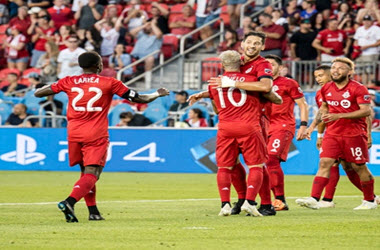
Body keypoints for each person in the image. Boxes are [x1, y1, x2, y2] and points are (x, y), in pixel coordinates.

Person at [34, 51, 169, 223]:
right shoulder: (109, 82)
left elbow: (39, 93)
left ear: (81, 66)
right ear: (99, 65)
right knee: (93, 173)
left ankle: (93, 212)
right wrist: (157, 93)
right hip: (95, 133)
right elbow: (140, 98)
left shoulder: (68, 81)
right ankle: (69, 202)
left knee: (85, 173)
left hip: (74, 132)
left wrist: (54, 85)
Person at [208, 31, 283, 216]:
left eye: (257, 43)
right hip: (243, 120)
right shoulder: (239, 62)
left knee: (258, 164)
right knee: (234, 163)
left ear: (263, 47)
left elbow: (266, 88)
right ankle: (244, 199)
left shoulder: (262, 64)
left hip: (257, 118)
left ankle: (265, 203)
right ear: (242, 44)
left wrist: (229, 83)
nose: (252, 46)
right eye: (249, 42)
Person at [296, 57, 377, 210]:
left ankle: (370, 201)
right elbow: (324, 109)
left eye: (340, 68)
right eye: (334, 67)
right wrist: (312, 127)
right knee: (325, 163)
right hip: (332, 133)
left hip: (353, 134)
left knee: (359, 167)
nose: (336, 70)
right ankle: (315, 198)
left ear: (350, 71)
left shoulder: (358, 88)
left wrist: (339, 116)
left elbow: (366, 111)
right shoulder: (326, 89)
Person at [263, 54, 308, 211]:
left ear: (280, 68)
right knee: (264, 163)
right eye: (266, 64)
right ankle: (274, 200)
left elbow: (303, 105)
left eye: (272, 64)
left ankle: (279, 199)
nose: (269, 66)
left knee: (271, 159)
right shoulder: (260, 83)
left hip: (282, 126)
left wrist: (303, 125)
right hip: (262, 127)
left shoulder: (288, 83)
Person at [353, 15, 380, 85]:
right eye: (365, 20)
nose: (366, 22)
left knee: (371, 71)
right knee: (362, 71)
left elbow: (379, 42)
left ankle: (371, 86)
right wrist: (356, 47)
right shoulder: (360, 29)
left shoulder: (376, 29)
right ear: (363, 21)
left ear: (372, 22)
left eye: (368, 20)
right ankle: (364, 86)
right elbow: (356, 40)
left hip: (372, 53)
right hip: (360, 53)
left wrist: (367, 46)